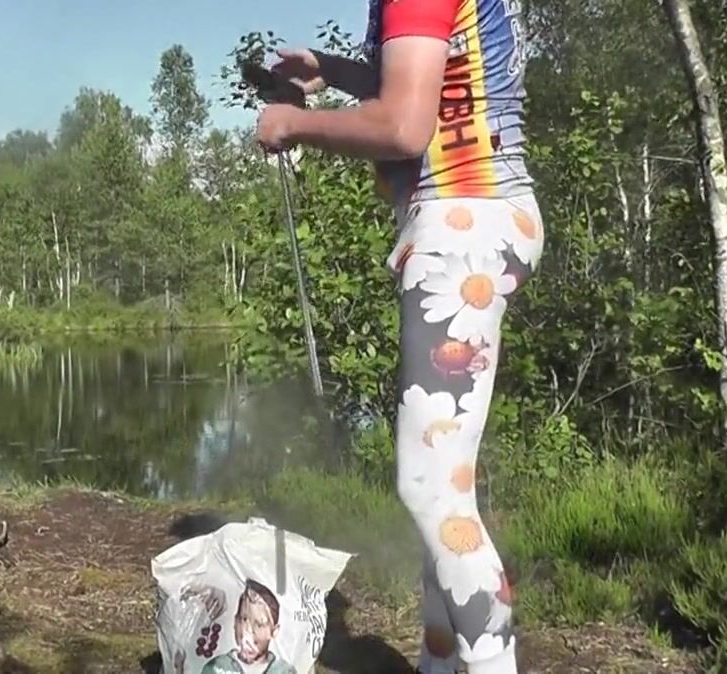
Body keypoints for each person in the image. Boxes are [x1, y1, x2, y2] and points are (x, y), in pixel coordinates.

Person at [254, 1, 537, 673]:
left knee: (430, 490)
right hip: (480, 219)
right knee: (444, 492)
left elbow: (406, 126)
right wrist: (334, 71)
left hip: (462, 224)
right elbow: (436, 79)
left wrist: (293, 123)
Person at [197, 579, 295, 674]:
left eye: (259, 625)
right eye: (244, 620)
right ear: (235, 622)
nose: (248, 631)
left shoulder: (284, 671)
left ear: (274, 631)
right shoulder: (216, 668)